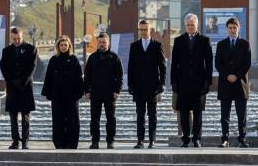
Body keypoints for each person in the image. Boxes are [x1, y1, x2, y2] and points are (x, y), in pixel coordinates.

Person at [171, 13, 213, 147]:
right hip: (182, 82)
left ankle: (196, 138)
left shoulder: (205, 40)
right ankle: (186, 138)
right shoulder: (178, 41)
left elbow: (209, 63)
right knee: (183, 112)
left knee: (198, 112)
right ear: (185, 26)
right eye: (188, 25)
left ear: (197, 26)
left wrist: (207, 82)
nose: (190, 27)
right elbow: (174, 63)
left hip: (199, 83)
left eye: (192, 25)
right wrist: (174, 82)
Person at [127, 20, 166, 149]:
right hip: (138, 87)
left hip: (153, 87)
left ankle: (152, 141)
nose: (143, 31)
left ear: (150, 30)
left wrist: (162, 84)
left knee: (152, 115)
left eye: (146, 29)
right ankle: (140, 141)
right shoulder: (134, 46)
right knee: (140, 115)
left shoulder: (157, 45)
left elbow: (162, 67)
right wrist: (130, 85)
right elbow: (130, 67)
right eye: (141, 29)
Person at [41, 35, 84, 149]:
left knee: (73, 121)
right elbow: (48, 77)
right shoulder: (53, 60)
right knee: (58, 121)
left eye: (65, 45)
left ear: (69, 46)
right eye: (61, 45)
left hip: (72, 97)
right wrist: (48, 93)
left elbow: (79, 77)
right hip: (57, 96)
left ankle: (72, 143)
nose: (63, 47)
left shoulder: (74, 59)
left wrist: (79, 93)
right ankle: (59, 144)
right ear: (58, 46)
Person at [215, 17, 251, 148]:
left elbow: (247, 64)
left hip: (240, 84)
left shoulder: (245, 44)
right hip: (225, 84)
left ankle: (242, 139)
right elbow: (218, 64)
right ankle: (225, 139)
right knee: (225, 115)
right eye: (230, 27)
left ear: (238, 28)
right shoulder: (221, 44)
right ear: (227, 29)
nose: (232, 30)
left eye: (234, 27)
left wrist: (236, 75)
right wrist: (227, 75)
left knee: (241, 115)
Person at [0, 27, 37, 149]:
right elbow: (3, 66)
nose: (16, 41)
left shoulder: (31, 49)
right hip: (12, 87)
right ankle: (15, 141)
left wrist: (22, 81)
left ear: (22, 36)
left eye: (18, 38)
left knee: (25, 116)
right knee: (13, 116)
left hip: (25, 87)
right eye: (14, 39)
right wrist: (10, 80)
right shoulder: (6, 50)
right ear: (11, 37)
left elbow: (32, 67)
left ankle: (25, 141)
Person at [84, 33, 123, 149]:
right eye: (100, 42)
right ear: (97, 43)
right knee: (94, 119)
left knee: (111, 118)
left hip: (110, 93)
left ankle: (110, 141)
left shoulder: (114, 57)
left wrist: (117, 91)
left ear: (108, 43)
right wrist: (87, 91)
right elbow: (87, 76)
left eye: (104, 42)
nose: (102, 44)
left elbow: (119, 76)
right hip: (95, 93)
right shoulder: (92, 57)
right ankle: (95, 141)